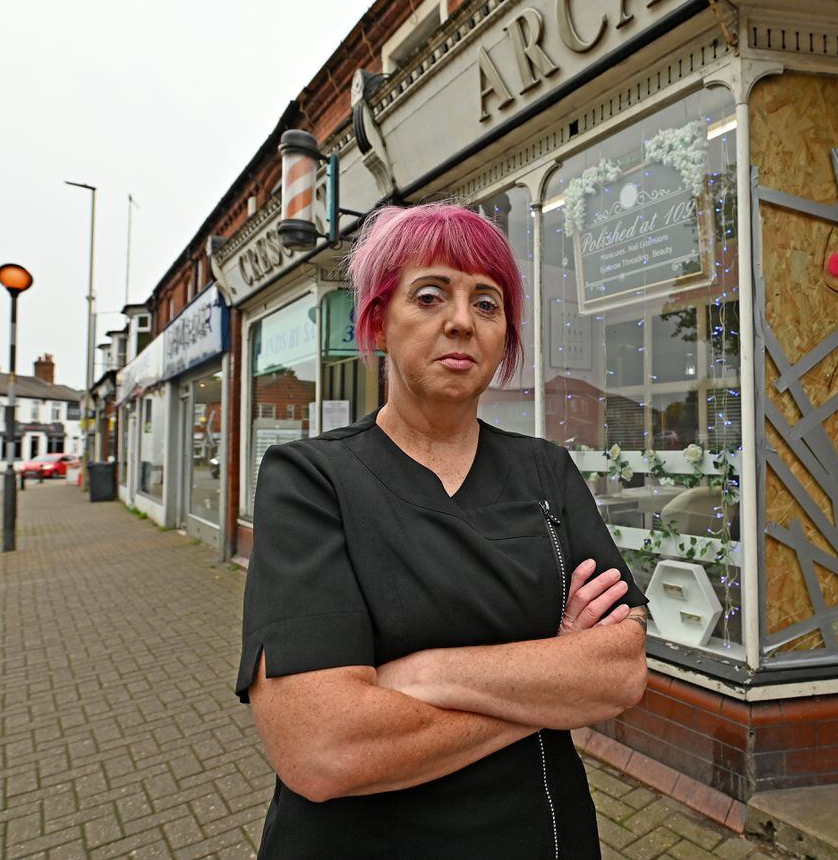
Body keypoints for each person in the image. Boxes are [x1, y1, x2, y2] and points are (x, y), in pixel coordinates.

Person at [236, 203, 650, 858]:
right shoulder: (311, 480)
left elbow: (620, 671)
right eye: (430, 296)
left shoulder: (546, 472)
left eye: (486, 304)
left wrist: (421, 673)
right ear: (377, 318)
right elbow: (322, 747)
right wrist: (552, 675)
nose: (461, 320)